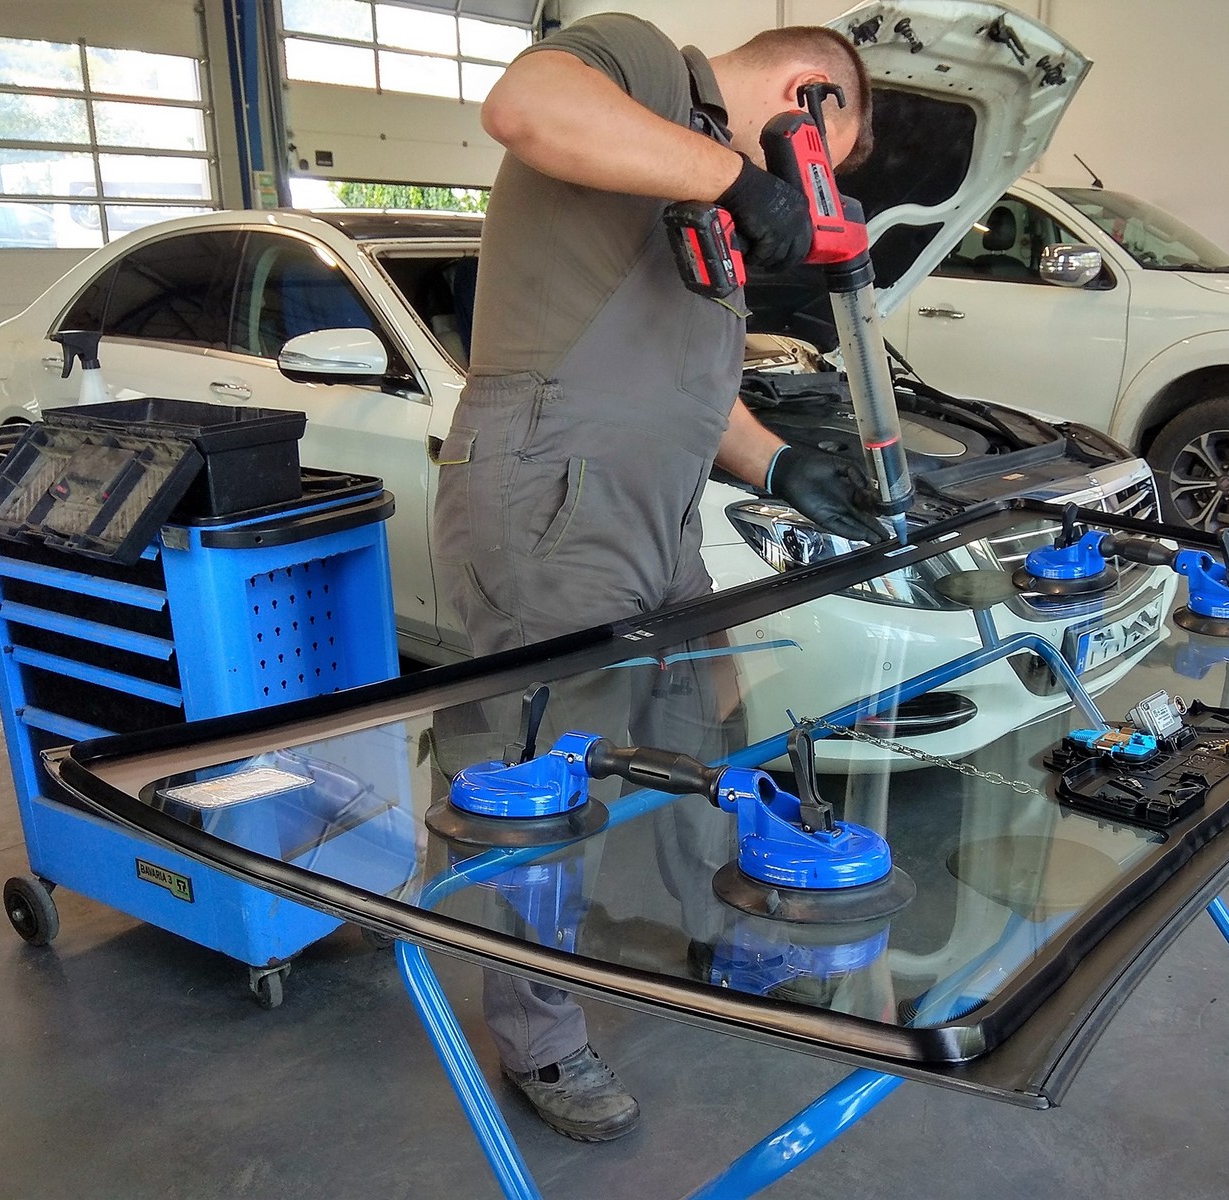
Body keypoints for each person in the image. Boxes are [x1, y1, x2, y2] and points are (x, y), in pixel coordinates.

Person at [432, 13, 885, 1143]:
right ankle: (541, 1039)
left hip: (662, 508)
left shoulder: (694, 179)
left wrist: (780, 465)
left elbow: (687, 384)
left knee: (700, 740)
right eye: (819, 161)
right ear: (808, 98)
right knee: (545, 776)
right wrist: (742, 177)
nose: (805, 191)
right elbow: (525, 106)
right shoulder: (638, 64)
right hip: (553, 487)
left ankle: (712, 946)